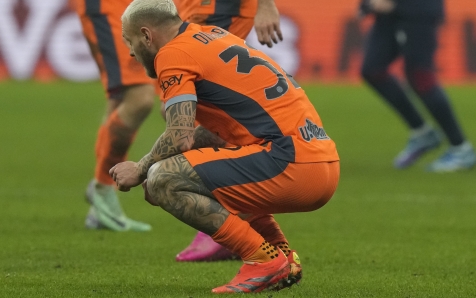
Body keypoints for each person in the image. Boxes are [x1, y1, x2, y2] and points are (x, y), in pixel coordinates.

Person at [111, 0, 340, 292]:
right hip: (321, 162)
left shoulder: (173, 54)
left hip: (291, 163)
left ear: (146, 35)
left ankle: (262, 261)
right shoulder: (214, 36)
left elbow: (180, 135)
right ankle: (280, 255)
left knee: (163, 178)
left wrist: (140, 168)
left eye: (129, 41)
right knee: (195, 169)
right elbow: (213, 136)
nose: (131, 52)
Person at [171, 0, 284, 263]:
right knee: (183, 107)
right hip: (190, 6)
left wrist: (265, 4)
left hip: (220, 7)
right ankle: (249, 224)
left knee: (201, 107)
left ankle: (223, 227)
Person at [359, 0, 475, 172]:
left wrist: (399, 6)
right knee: (373, 70)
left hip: (418, 9)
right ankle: (422, 133)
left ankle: (461, 148)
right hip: (387, 14)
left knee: (420, 75)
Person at [74, 0, 154, 231]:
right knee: (140, 98)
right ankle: (101, 186)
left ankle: (101, 203)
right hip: (110, 6)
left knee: (120, 97)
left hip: (133, 6)